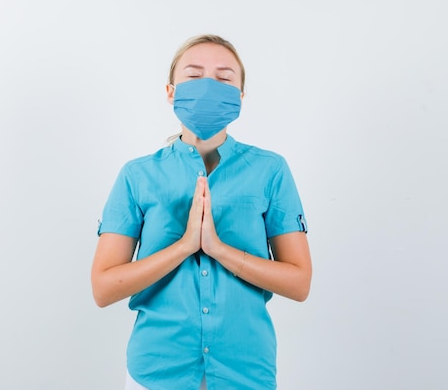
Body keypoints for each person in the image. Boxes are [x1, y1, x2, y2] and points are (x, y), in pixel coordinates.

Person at [91, 34, 312, 390]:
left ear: (240, 98)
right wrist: (184, 246)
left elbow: (299, 283)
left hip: (246, 373)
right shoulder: (137, 175)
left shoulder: (270, 171)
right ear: (170, 92)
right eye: (194, 76)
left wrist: (218, 249)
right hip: (157, 372)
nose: (208, 87)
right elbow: (103, 288)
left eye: (224, 78)